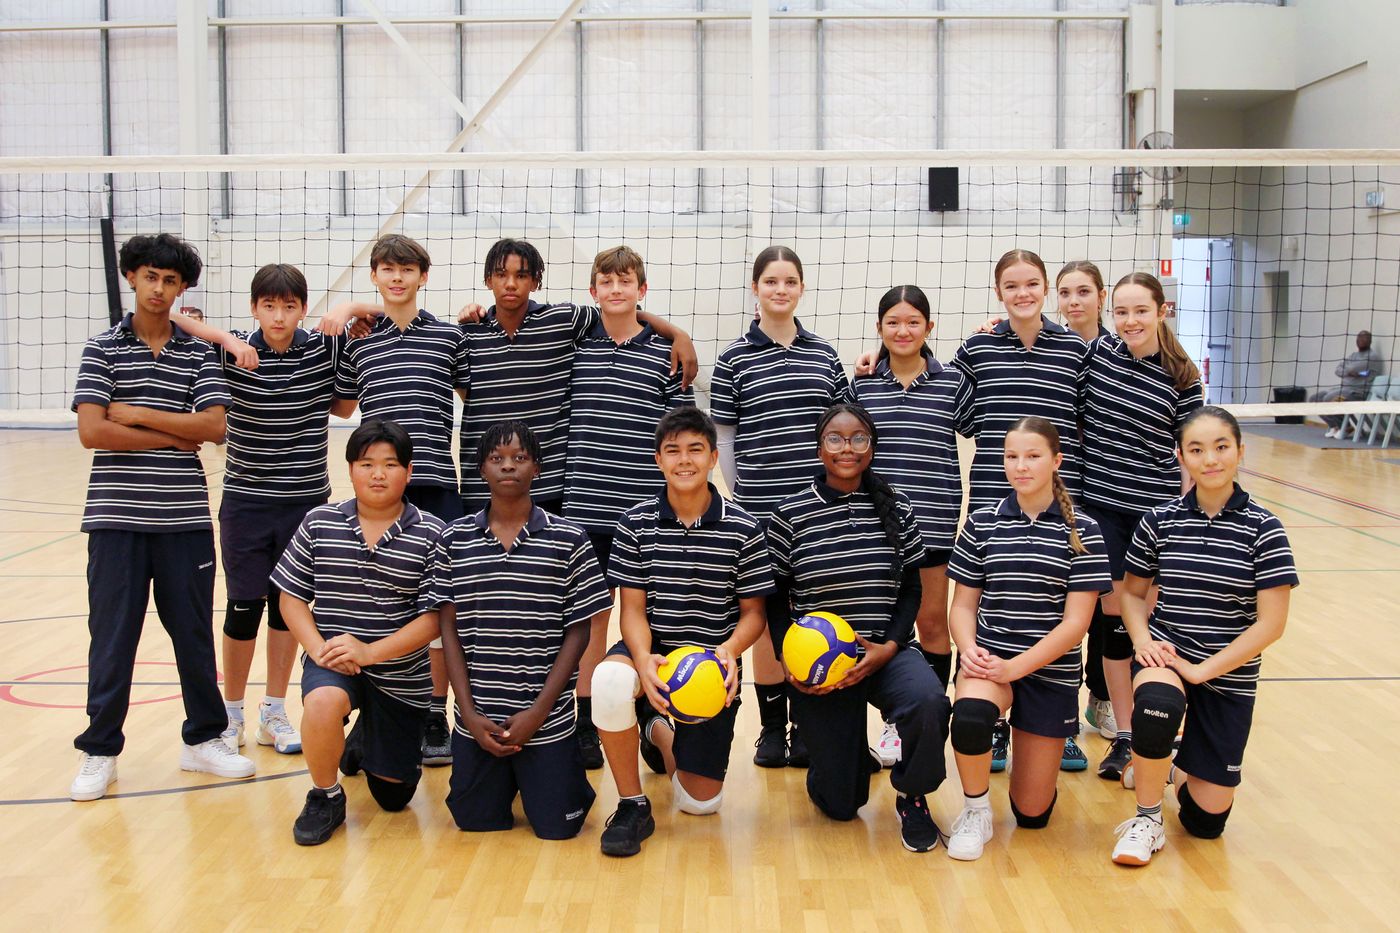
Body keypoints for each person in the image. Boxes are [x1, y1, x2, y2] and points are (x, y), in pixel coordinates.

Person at [69, 233, 255, 802]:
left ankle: (204, 739)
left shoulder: (197, 353)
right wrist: (170, 434)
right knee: (112, 638)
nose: (158, 288)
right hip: (116, 521)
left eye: (170, 280)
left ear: (182, 288)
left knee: (193, 635)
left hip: (184, 522)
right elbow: (92, 431)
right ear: (131, 277)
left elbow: (214, 427)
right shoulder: (102, 348)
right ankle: (100, 750)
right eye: (150, 276)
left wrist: (133, 414)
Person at [168, 264, 381, 755]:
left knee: (289, 609)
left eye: (289, 306)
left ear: (303, 309)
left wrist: (349, 307)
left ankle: (273, 711)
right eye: (269, 306)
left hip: (305, 505)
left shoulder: (325, 346)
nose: (279, 316)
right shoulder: (233, 351)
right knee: (244, 607)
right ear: (254, 308)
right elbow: (175, 319)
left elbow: (348, 399)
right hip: (246, 502)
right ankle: (231, 714)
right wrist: (227, 337)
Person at [1110, 406, 1297, 867]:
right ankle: (1147, 818)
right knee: (1155, 709)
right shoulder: (1160, 520)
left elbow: (1271, 624)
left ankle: (1169, 766)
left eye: (1220, 447)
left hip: (1228, 673)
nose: (1209, 459)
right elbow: (1131, 595)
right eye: (1196, 450)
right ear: (1180, 456)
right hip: (1167, 657)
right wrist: (1143, 642)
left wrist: (1202, 670)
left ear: (1240, 451)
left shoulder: (1265, 529)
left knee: (1204, 822)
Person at [767, 403, 950, 853]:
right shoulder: (790, 513)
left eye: (858, 439)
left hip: (884, 653)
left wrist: (890, 646)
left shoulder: (897, 505)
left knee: (929, 702)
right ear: (819, 448)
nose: (846, 448)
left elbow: (912, 587)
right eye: (835, 438)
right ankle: (837, 757)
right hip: (822, 666)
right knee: (841, 805)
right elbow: (774, 597)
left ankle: (913, 796)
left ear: (871, 447)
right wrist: (788, 660)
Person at [591, 407, 773, 857]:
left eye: (695, 449)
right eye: (673, 451)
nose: (684, 460)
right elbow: (631, 611)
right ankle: (632, 805)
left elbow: (754, 614)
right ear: (658, 460)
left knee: (700, 803)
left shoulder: (744, 527)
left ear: (713, 457)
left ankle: (655, 729)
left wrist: (730, 650)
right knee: (609, 681)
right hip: (654, 646)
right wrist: (642, 660)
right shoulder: (635, 522)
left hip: (712, 659)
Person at [434, 421, 613, 841]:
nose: (508, 466)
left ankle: (551, 777)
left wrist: (538, 713)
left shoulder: (569, 538)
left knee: (559, 828)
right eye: (496, 458)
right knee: (474, 822)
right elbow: (448, 630)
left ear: (538, 468)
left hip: (545, 721)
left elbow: (579, 633)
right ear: (481, 469)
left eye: (520, 458)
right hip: (478, 722)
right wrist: (469, 714)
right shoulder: (454, 539)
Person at [943, 417, 1111, 861]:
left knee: (1032, 813)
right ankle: (976, 810)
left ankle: (1030, 761)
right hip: (990, 662)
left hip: (1049, 672)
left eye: (1033, 456)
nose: (1020, 466)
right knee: (970, 716)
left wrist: (1015, 668)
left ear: (1056, 461)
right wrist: (970, 651)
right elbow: (962, 607)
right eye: (1011, 456)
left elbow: (1076, 624)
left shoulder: (1084, 530)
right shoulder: (982, 522)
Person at [272, 419, 446, 846]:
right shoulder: (319, 521)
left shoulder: (432, 532)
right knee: (322, 701)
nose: (378, 474)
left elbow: (434, 618)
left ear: (409, 471)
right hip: (334, 662)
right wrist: (319, 651)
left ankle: (363, 736)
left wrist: (370, 653)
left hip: (400, 675)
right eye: (367, 464)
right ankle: (325, 795)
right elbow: (291, 599)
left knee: (393, 798)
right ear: (350, 469)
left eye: (390, 464)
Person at [951, 249, 1093, 773]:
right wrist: (873, 359)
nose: (1023, 293)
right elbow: (951, 403)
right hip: (995, 499)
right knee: (993, 603)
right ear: (998, 293)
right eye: (1011, 286)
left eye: (1032, 283)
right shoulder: (978, 348)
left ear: (1045, 288)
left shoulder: (1075, 349)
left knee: (1056, 608)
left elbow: (1088, 419)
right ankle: (992, 719)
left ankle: (1061, 725)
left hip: (1061, 503)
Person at [332, 233, 470, 767]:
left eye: (407, 269)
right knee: (374, 604)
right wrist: (346, 312)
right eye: (387, 269)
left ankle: (435, 713)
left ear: (423, 276)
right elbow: (344, 407)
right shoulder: (359, 341)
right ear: (374, 275)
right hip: (377, 487)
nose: (397, 277)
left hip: (435, 484)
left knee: (439, 606)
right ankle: (372, 715)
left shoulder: (449, 337)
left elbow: (474, 395)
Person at [711, 245, 850, 769]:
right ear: (756, 288)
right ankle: (772, 729)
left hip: (818, 512)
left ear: (801, 288)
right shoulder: (733, 359)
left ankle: (807, 726)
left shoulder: (825, 355)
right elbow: (725, 437)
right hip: (760, 511)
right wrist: (743, 497)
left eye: (790, 281)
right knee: (769, 619)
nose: (780, 289)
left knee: (812, 617)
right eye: (771, 281)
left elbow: (841, 431)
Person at [562, 246, 694, 769]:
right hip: (585, 508)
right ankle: (585, 724)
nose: (616, 289)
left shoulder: (666, 355)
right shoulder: (575, 343)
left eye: (626, 281)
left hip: (644, 514)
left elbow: (679, 436)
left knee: (650, 619)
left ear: (642, 290)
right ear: (593, 291)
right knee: (592, 620)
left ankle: (650, 715)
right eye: (606, 281)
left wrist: (676, 335)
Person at [455, 238, 697, 516]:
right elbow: (468, 394)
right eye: (501, 274)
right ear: (488, 280)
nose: (511, 283)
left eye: (521, 275)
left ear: (535, 281)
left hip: (549, 488)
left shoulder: (564, 321)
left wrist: (678, 334)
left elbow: (621, 310)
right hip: (482, 488)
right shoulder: (466, 335)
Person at [1080, 273, 1203, 782]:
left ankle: (1158, 737)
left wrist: (1189, 518)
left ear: (1161, 311)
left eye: (1140, 311)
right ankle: (1126, 737)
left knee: (1145, 626)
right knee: (1114, 622)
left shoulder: (1183, 376)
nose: (1130, 321)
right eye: (1122, 312)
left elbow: (1191, 452)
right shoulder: (1099, 355)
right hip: (1103, 509)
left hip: (1154, 516)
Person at [848, 285, 973, 767]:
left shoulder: (953, 383)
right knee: (881, 627)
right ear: (879, 328)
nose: (903, 331)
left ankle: (928, 721)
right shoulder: (860, 385)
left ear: (929, 328)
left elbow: (984, 426)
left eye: (913, 322)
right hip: (875, 528)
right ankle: (891, 722)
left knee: (932, 623)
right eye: (893, 322)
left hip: (935, 523)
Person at [1312, 330, 1385, 437]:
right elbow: (1338, 370)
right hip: (1344, 389)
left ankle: (1345, 427)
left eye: (1364, 338)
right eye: (1359, 338)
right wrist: (1348, 371)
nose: (1361, 340)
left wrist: (1347, 370)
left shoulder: (1372, 356)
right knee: (1315, 399)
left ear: (1370, 341)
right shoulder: (1353, 355)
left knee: (1329, 398)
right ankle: (1334, 426)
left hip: (1359, 393)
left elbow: (1352, 368)